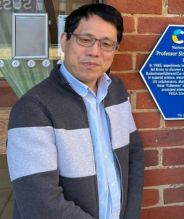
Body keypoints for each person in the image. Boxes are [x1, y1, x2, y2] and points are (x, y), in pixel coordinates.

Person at [7, 3, 144, 219]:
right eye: (85, 40)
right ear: (65, 40)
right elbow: (40, 205)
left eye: (106, 43)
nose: (95, 52)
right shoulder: (32, 108)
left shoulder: (116, 91)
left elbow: (134, 156)